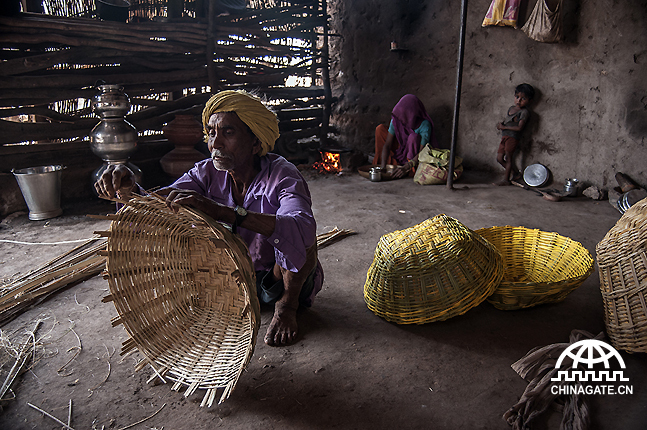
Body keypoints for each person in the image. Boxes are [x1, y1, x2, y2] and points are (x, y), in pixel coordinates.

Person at [94, 90, 324, 347]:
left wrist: (224, 212)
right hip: (232, 277)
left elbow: (300, 226)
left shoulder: (283, 176)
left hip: (277, 278)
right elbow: (158, 204)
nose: (215, 144)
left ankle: (286, 307)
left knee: (301, 237)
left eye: (228, 132)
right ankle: (244, 296)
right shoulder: (205, 172)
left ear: (256, 142)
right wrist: (129, 191)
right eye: (212, 133)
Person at [374, 94, 438, 179]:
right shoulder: (397, 120)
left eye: (404, 116)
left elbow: (422, 153)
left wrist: (407, 167)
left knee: (413, 137)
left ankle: (410, 171)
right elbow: (387, 144)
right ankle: (388, 164)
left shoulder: (424, 125)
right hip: (400, 150)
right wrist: (383, 167)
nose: (400, 120)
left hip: (412, 158)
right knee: (380, 129)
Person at [494, 83, 535, 186]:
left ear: (529, 101)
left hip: (512, 137)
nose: (519, 100)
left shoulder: (524, 112)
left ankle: (506, 180)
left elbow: (519, 128)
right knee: (499, 158)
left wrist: (504, 127)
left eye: (523, 98)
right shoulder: (511, 109)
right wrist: (501, 125)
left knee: (508, 158)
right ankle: (515, 173)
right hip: (504, 136)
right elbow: (508, 121)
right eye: (517, 97)